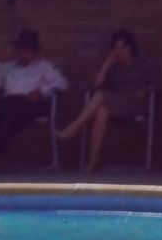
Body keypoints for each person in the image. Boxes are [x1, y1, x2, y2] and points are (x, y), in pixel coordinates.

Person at [57, 29, 154, 172]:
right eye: (116, 48)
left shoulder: (143, 64)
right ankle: (93, 160)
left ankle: (75, 127)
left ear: (131, 48)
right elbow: (97, 84)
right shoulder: (114, 68)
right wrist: (107, 63)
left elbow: (156, 84)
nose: (119, 51)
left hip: (135, 103)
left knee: (101, 95)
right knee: (101, 110)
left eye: (123, 47)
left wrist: (145, 90)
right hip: (116, 104)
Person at [0, 28, 68, 172]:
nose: (24, 53)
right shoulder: (8, 67)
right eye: (21, 49)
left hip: (34, 102)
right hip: (10, 100)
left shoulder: (45, 67)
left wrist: (41, 90)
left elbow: (62, 83)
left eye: (27, 50)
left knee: (12, 115)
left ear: (35, 51)